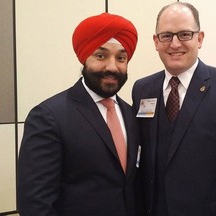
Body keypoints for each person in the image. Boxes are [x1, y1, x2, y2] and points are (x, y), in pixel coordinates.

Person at [132, 2, 216, 216]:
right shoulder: (142, 89)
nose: (174, 44)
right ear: (156, 41)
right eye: (166, 36)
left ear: (199, 38)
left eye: (184, 34)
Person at [17, 13, 142, 216]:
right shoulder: (49, 117)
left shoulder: (131, 114)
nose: (112, 66)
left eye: (121, 58)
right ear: (85, 58)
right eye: (101, 56)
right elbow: (35, 204)